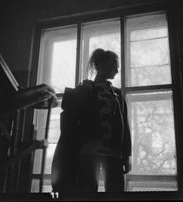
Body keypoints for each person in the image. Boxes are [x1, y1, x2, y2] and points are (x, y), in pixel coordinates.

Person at [51, 48, 132, 193]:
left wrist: (127, 154)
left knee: (116, 193)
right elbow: (70, 118)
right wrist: (81, 91)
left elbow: (124, 125)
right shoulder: (85, 89)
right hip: (88, 152)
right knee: (87, 192)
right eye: (113, 65)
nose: (117, 70)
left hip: (113, 152)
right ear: (100, 65)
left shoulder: (117, 94)